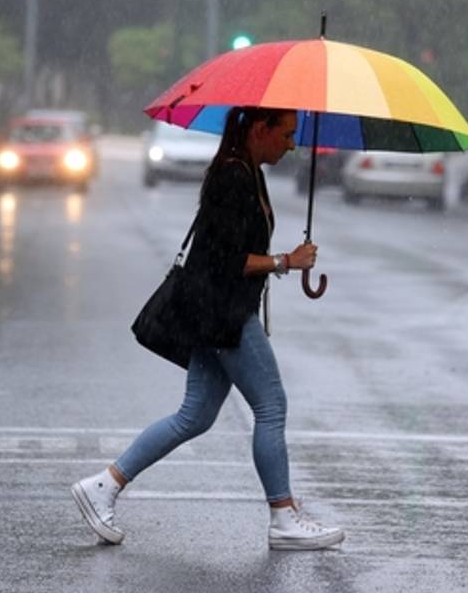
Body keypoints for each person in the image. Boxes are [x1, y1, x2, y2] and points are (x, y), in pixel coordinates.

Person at [71, 106, 344, 551]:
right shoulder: (233, 177)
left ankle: (104, 485)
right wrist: (285, 262)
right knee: (272, 406)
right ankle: (283, 516)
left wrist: (282, 260)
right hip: (223, 314)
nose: (292, 143)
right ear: (261, 128)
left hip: (212, 311)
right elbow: (225, 260)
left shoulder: (245, 170)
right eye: (287, 133)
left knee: (194, 415)